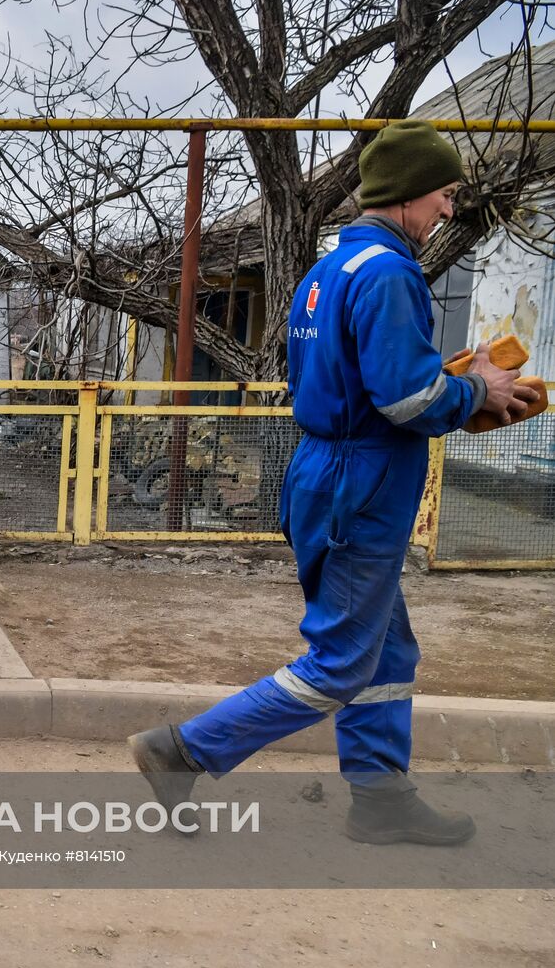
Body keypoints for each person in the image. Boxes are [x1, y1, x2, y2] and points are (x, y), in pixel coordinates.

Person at [127, 120, 539, 846]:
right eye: (443, 194)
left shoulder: (328, 273)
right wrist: (476, 393)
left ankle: (381, 798)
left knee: (388, 650)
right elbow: (405, 400)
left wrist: (454, 382)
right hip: (363, 487)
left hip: (329, 472)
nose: (448, 209)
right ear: (410, 195)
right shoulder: (390, 274)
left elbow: (356, 383)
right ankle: (183, 750)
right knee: (343, 661)